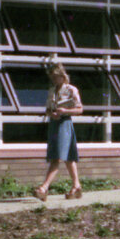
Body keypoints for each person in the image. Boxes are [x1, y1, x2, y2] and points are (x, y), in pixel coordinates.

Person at [33, 63, 83, 201]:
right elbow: (48, 109)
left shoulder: (71, 90)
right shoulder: (52, 90)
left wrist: (65, 111)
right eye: (52, 77)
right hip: (54, 124)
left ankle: (44, 187)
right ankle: (76, 186)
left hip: (64, 123)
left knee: (57, 157)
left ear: (62, 76)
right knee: (68, 156)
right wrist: (52, 114)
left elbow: (80, 109)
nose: (54, 80)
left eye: (56, 77)